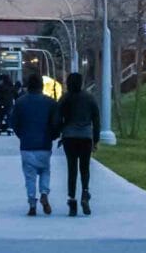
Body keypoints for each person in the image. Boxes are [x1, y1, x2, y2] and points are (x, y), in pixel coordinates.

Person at [10, 74, 57, 217]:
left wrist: (22, 135)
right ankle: (44, 192)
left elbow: (14, 123)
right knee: (45, 171)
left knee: (29, 177)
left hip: (27, 145)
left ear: (28, 86)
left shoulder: (20, 102)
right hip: (44, 144)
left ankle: (32, 203)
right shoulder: (50, 103)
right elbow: (55, 123)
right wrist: (52, 136)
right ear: (41, 86)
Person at [55, 72, 100, 217]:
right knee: (85, 168)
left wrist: (60, 131)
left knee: (71, 168)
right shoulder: (89, 98)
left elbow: (57, 118)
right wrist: (96, 139)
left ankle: (72, 200)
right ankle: (85, 193)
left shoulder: (65, 98)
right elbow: (96, 120)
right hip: (86, 136)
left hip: (69, 136)